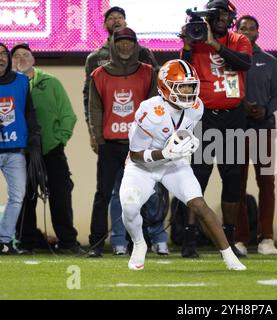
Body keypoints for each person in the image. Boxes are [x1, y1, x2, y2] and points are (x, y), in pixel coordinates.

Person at [120, 59, 246, 271]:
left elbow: (181, 131)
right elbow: (134, 154)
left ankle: (229, 257)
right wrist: (164, 153)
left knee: (198, 203)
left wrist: (188, 141)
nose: (188, 91)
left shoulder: (196, 107)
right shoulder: (148, 111)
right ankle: (139, 244)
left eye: (191, 86)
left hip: (172, 164)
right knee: (130, 207)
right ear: (165, 87)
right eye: (182, 86)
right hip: (143, 166)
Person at [83, 6, 166, 256]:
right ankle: (97, 244)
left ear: (135, 44)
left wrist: (156, 138)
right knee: (104, 194)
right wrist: (96, 135)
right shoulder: (99, 72)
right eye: (121, 42)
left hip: (140, 145)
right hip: (110, 143)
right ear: (114, 44)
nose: (125, 46)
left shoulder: (149, 72)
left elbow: (155, 107)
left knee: (150, 193)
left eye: (129, 42)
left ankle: (152, 241)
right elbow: (94, 108)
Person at [180, 0, 252, 258]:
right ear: (207, 17)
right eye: (216, 13)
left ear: (231, 17)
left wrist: (213, 44)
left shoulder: (239, 39)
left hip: (233, 117)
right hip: (204, 118)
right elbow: (184, 72)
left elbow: (244, 64)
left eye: (225, 13)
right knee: (196, 179)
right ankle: (189, 241)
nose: (221, 17)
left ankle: (229, 241)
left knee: (232, 180)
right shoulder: (195, 38)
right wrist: (188, 45)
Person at [10, 43, 82, 254]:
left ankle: (68, 242)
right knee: (25, 198)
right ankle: (26, 242)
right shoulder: (9, 85)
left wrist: (59, 139)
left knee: (60, 195)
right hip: (22, 153)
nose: (21, 58)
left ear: (34, 60)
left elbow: (68, 115)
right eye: (16, 56)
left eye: (25, 55)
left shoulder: (51, 82)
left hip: (52, 150)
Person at [234, 15, 277, 255]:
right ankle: (241, 240)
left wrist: (265, 110)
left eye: (251, 28)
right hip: (237, 130)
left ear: (258, 32)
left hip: (265, 129)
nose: (247, 32)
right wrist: (242, 107)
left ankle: (267, 239)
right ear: (236, 31)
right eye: (242, 28)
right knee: (237, 185)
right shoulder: (230, 61)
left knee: (267, 184)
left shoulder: (271, 61)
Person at [0, 43, 40, 254]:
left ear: (8, 58)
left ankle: (3, 241)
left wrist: (34, 140)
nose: (0, 58)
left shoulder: (22, 81)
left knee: (18, 196)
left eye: (3, 54)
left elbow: (29, 112)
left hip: (15, 150)